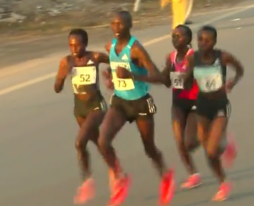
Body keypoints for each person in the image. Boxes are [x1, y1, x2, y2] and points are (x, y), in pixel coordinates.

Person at [98, 10, 175, 206]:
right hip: (120, 102)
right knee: (103, 141)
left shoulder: (136, 50)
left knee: (149, 148)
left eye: (121, 24)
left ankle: (166, 176)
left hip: (140, 102)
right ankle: (120, 176)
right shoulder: (111, 46)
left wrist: (132, 76)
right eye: (113, 24)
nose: (116, 28)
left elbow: (159, 77)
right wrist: (110, 77)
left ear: (130, 25)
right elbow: (114, 67)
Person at [184, 25, 242, 201]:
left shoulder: (223, 57)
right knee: (203, 144)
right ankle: (227, 144)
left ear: (215, 42)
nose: (203, 43)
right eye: (200, 39)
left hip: (220, 107)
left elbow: (240, 69)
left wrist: (232, 81)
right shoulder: (193, 58)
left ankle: (224, 184)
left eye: (207, 40)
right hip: (202, 107)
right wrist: (187, 77)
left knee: (210, 153)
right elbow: (187, 82)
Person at [54, 28, 110, 205]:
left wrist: (111, 75)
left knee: (79, 142)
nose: (74, 48)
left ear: (85, 44)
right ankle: (115, 169)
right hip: (80, 110)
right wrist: (61, 79)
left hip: (97, 106)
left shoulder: (95, 57)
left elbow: (117, 62)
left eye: (77, 44)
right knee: (98, 142)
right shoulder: (67, 61)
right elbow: (57, 88)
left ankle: (87, 182)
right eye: (71, 45)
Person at [161, 24, 201, 189]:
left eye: (179, 36)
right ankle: (193, 174)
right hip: (178, 103)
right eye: (173, 36)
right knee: (179, 141)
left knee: (190, 143)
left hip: (195, 103)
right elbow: (166, 82)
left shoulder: (194, 57)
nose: (175, 39)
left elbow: (188, 77)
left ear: (188, 40)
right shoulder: (170, 57)